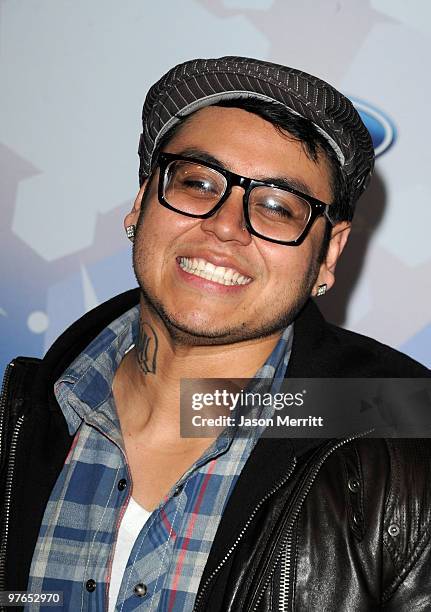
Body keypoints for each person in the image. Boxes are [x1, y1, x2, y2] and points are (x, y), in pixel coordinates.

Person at [1, 56, 430, 611]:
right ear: (140, 203)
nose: (224, 226)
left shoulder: (405, 446)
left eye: (277, 206)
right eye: (199, 183)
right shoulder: (20, 419)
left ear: (329, 254)